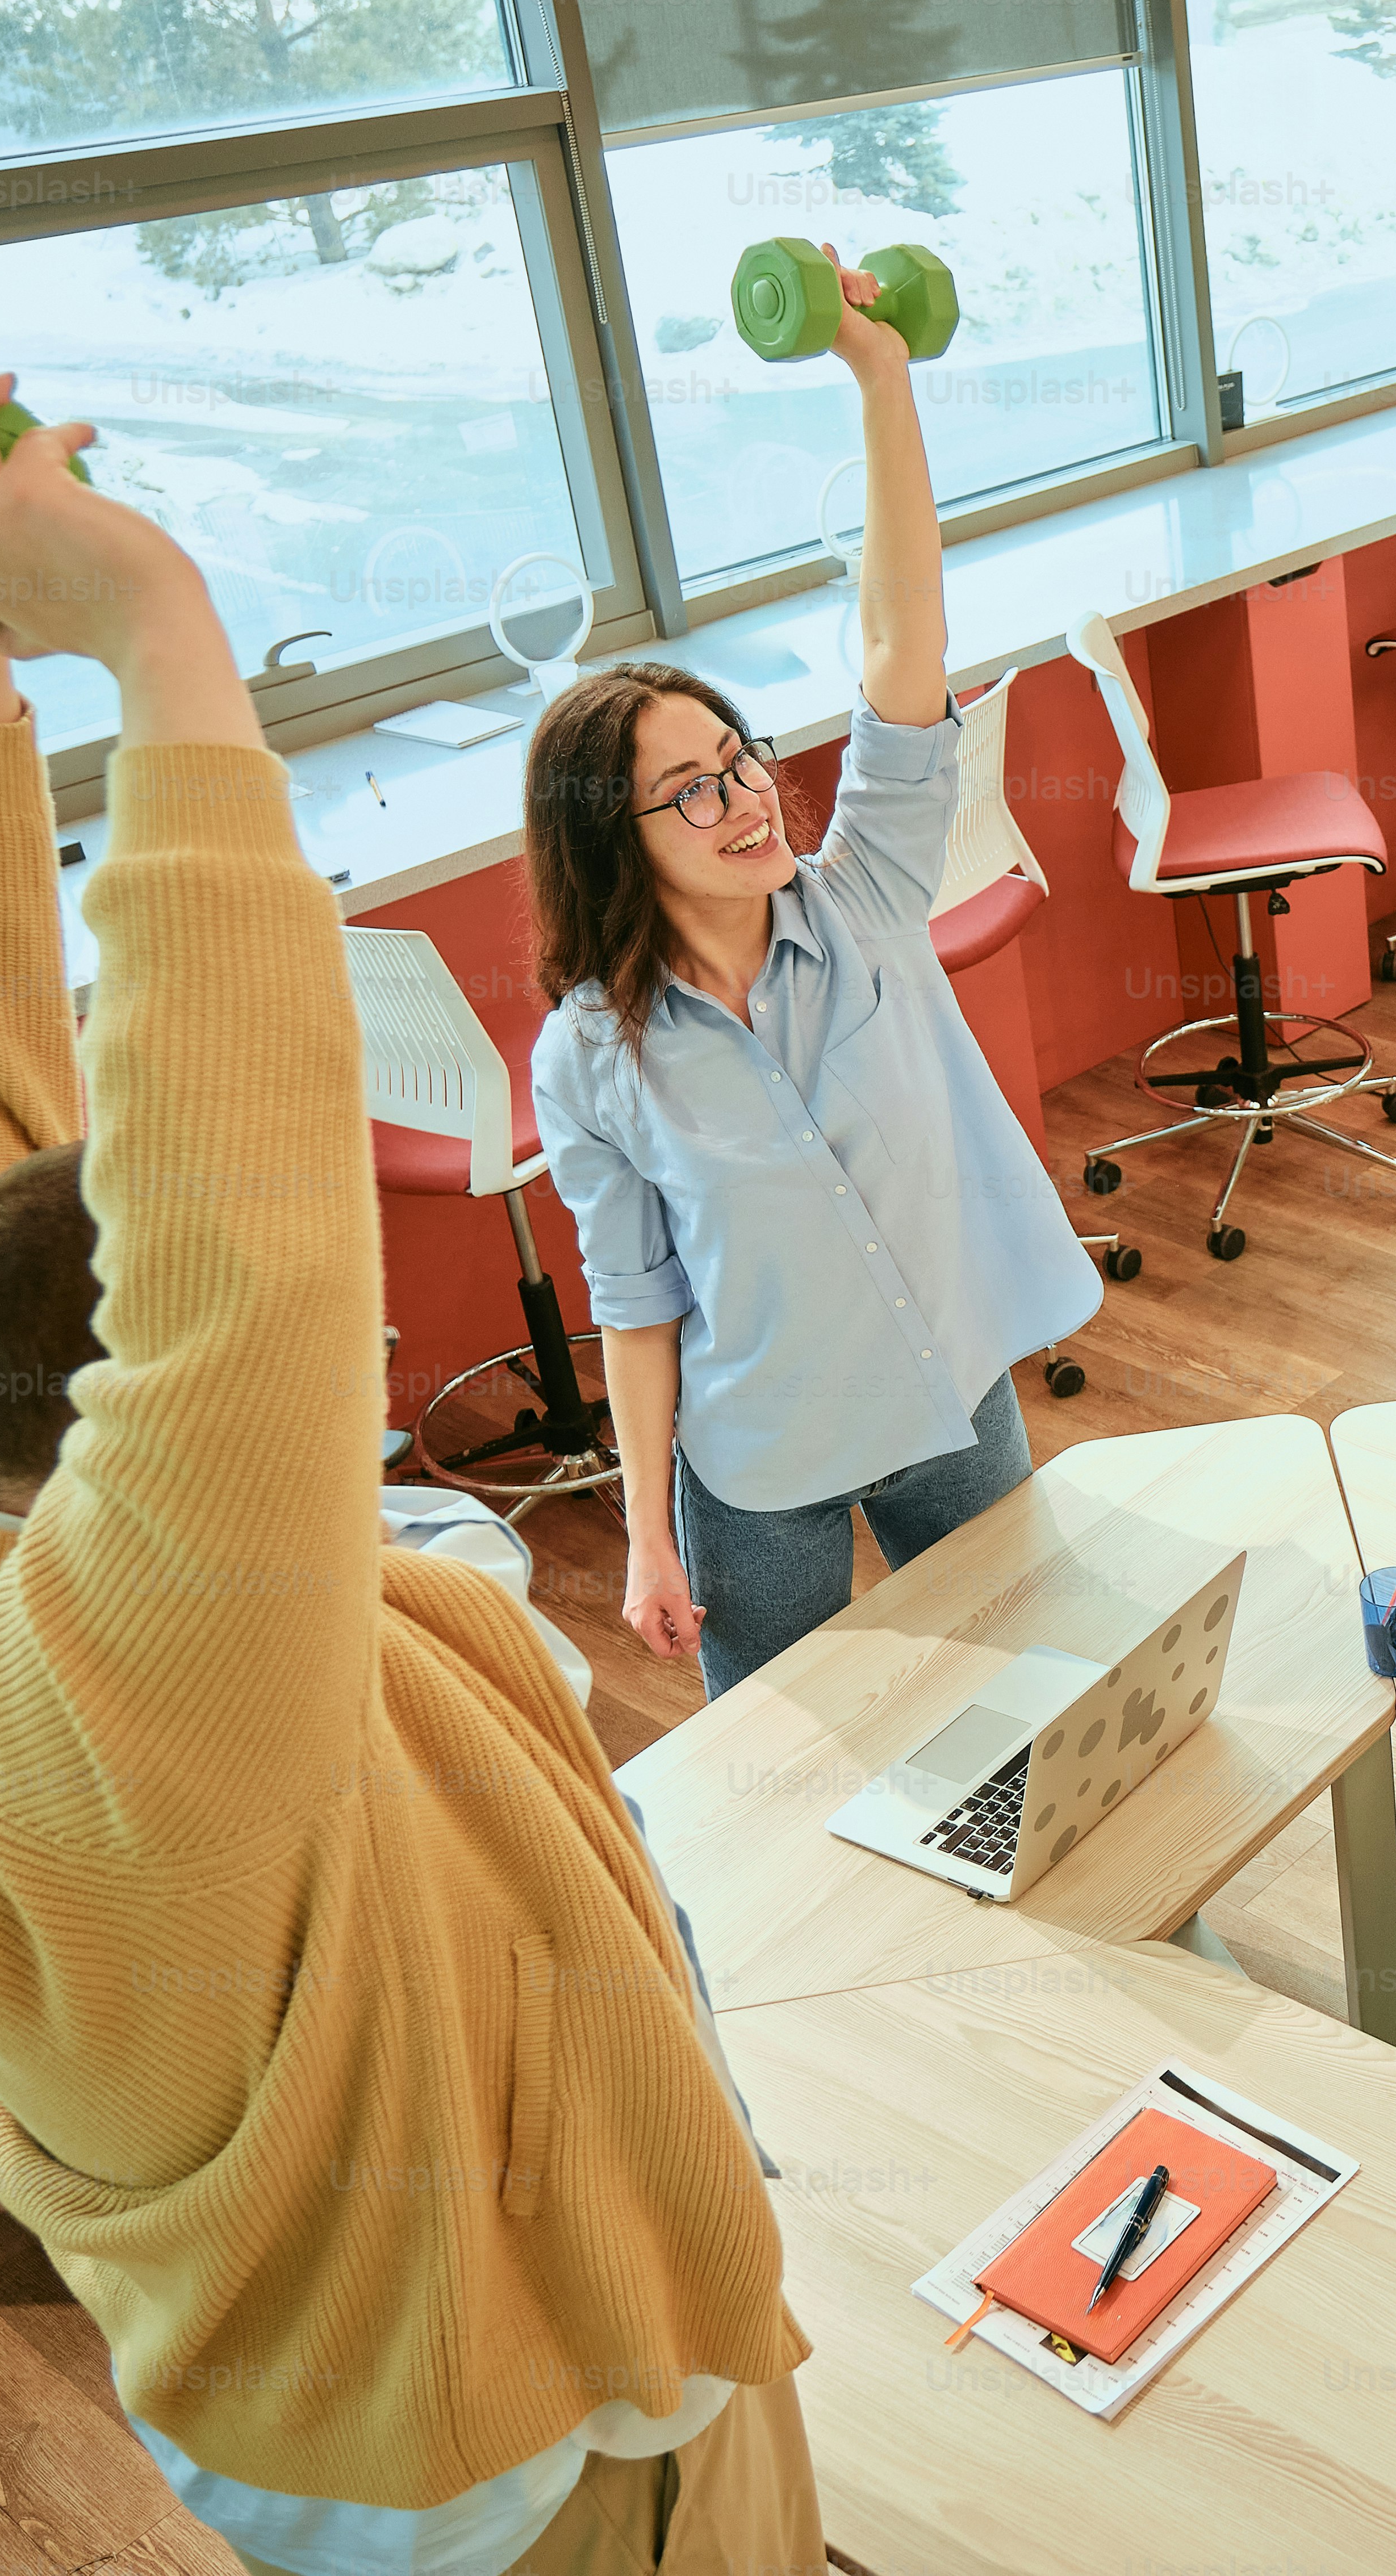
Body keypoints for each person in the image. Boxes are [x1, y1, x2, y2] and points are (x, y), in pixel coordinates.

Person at [0, 378, 818, 2570]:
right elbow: (252, 1261)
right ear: (159, 1444)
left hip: (438, 2389)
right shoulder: (121, 1755)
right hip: (550, 2468)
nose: (362, 1373)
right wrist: (152, 630)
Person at [528, 248, 1098, 1700]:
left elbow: (904, 629)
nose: (744, 802)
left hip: (944, 1403)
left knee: (1036, 1696)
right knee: (783, 1765)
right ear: (616, 845)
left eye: (738, 762)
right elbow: (638, 1300)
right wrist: (647, 1533)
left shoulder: (865, 899)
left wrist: (879, 374)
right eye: (692, 795)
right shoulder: (591, 1058)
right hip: (759, 1466)